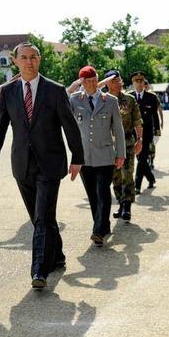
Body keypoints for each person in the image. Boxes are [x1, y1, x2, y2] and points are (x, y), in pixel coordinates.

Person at [0, 42, 84, 289]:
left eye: (34, 57)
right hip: (22, 165)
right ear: (16, 62)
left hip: (51, 164)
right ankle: (57, 256)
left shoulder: (55, 90)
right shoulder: (8, 92)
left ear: (39, 60)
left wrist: (77, 157)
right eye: (25, 58)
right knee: (42, 217)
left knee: (41, 219)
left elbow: (70, 126)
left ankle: (39, 270)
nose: (29, 61)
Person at [69, 66, 125, 246]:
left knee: (102, 191)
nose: (91, 84)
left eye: (94, 80)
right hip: (84, 157)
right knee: (92, 194)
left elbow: (118, 128)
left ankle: (98, 230)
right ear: (82, 83)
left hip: (105, 154)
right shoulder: (74, 99)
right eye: (87, 82)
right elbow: (65, 120)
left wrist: (121, 153)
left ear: (98, 80)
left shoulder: (109, 100)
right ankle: (102, 225)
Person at [104, 70, 143, 222]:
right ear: (108, 83)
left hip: (127, 143)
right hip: (109, 146)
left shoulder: (130, 99)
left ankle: (127, 206)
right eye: (115, 80)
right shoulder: (102, 99)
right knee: (115, 177)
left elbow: (137, 121)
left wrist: (139, 139)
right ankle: (120, 202)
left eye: (120, 80)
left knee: (127, 175)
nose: (119, 83)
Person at [128, 71, 159, 193]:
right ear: (133, 83)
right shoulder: (129, 97)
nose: (139, 83)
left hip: (146, 134)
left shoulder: (151, 97)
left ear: (144, 82)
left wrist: (157, 131)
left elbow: (155, 116)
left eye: (141, 81)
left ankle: (137, 185)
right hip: (133, 133)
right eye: (137, 81)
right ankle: (151, 178)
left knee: (141, 159)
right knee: (141, 158)